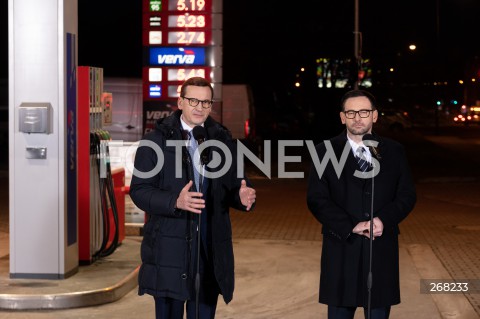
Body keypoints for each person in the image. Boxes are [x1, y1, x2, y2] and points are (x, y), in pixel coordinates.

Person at [129, 77, 256, 319]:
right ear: (180, 102)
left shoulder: (222, 140)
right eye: (193, 100)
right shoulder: (155, 142)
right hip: (170, 250)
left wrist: (242, 196)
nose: (200, 107)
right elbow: (140, 191)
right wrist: (175, 201)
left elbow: (236, 184)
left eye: (206, 102)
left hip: (209, 250)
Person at [306, 89, 416, 319]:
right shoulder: (324, 151)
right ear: (342, 117)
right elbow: (317, 199)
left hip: (380, 250)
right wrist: (350, 225)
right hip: (341, 249)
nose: (358, 117)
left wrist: (383, 219)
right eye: (351, 112)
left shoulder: (394, 151)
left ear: (374, 116)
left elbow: (406, 195)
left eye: (364, 112)